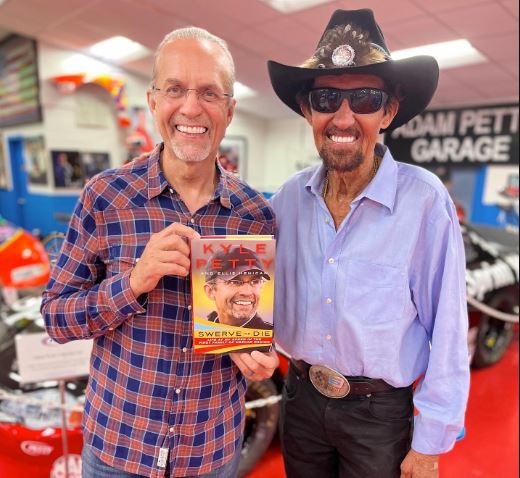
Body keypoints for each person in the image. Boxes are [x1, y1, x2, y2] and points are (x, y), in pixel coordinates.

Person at [41, 27, 278, 478]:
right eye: (174, 89)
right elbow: (55, 316)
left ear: (229, 110)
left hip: (210, 452)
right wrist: (133, 282)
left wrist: (259, 353)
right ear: (153, 101)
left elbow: (258, 324)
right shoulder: (106, 197)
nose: (191, 107)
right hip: (118, 448)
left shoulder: (256, 215)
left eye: (209, 92)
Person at [268, 9, 469, 478]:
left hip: (378, 416)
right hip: (299, 400)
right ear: (307, 110)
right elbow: (253, 289)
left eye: (364, 98)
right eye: (326, 98)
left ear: (388, 112)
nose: (343, 116)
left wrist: (430, 442)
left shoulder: (424, 201)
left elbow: (449, 328)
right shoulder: (286, 200)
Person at [204, 246, 273, 330]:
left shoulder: (273, 334)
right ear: (210, 291)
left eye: (255, 282)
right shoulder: (202, 330)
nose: (247, 292)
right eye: (234, 282)